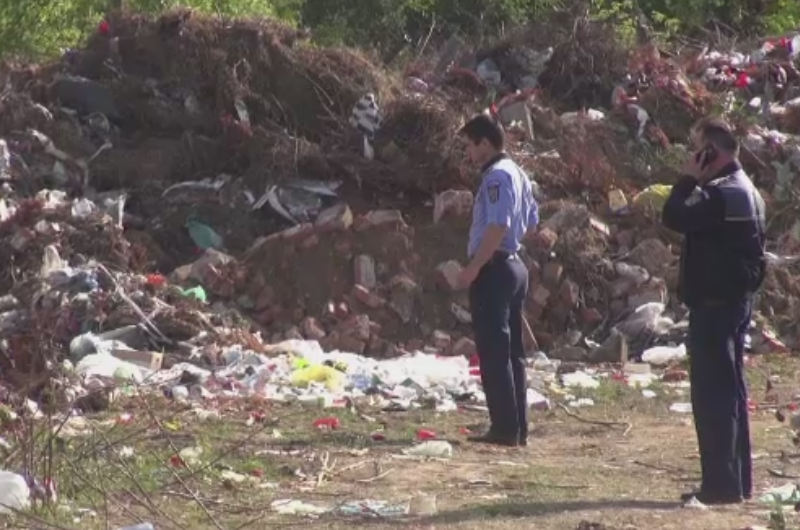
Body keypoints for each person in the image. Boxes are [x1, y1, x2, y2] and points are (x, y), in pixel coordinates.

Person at [662, 117, 766, 505]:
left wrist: (687, 179)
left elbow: (673, 215)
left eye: (697, 148)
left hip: (716, 307)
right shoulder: (747, 189)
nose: (692, 155)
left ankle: (720, 485)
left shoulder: (720, 194)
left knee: (713, 398)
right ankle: (736, 481)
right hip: (735, 303)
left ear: (710, 152)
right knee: (731, 393)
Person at [455, 115, 539, 447]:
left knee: (494, 351)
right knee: (513, 353)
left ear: (485, 144)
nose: (468, 153)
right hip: (513, 265)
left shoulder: (497, 176)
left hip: (495, 268)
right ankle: (517, 426)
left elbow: (498, 224)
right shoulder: (519, 173)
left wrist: (475, 266)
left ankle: (504, 428)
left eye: (470, 146)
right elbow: (531, 223)